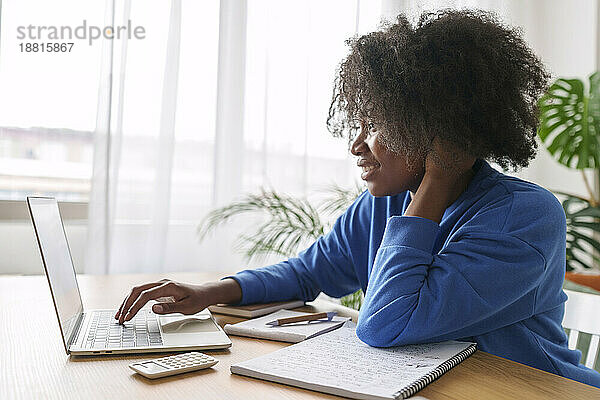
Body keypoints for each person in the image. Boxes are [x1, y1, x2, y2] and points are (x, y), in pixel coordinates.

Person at [114, 10, 600, 387]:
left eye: (375, 124)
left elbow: (388, 324)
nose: (356, 143)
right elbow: (308, 273)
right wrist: (207, 294)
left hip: (532, 391)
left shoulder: (522, 216)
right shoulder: (387, 204)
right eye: (358, 122)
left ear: (438, 130)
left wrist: (436, 182)